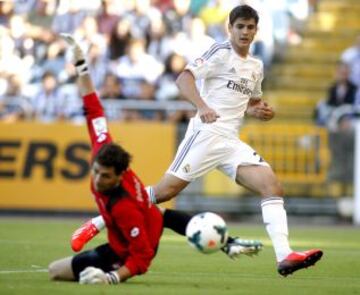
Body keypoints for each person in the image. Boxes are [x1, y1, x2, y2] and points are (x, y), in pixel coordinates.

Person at [70, 5, 323, 277]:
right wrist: (201, 106)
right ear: (230, 28)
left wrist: (258, 110)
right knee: (166, 192)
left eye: (250, 27)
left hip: (229, 141)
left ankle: (284, 256)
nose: (245, 32)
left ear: (256, 30)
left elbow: (247, 102)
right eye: (240, 26)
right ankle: (97, 222)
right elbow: (184, 79)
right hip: (205, 134)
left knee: (272, 186)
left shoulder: (256, 66)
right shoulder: (219, 53)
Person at [48, 33, 263, 285]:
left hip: (125, 250)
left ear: (119, 176)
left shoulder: (124, 206)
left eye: (105, 176)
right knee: (160, 215)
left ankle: (221, 240)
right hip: (147, 218)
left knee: (56, 272)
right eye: (96, 171)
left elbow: (142, 258)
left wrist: (111, 277)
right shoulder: (102, 149)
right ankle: (226, 241)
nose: (97, 178)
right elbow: (93, 106)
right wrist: (82, 66)